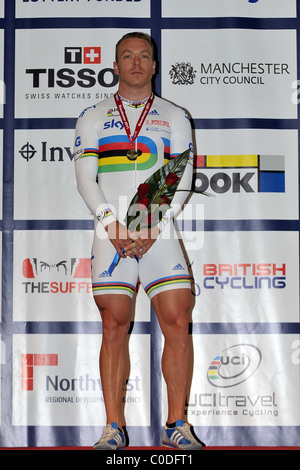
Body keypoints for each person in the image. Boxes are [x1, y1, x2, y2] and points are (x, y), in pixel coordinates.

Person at [74, 32, 203, 450]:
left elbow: (182, 177)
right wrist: (112, 226)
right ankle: (113, 428)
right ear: (115, 66)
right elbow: (84, 179)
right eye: (127, 56)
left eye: (144, 56)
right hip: (110, 232)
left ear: (154, 66)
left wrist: (152, 225)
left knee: (178, 322)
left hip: (158, 230)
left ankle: (176, 425)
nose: (135, 62)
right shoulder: (92, 115)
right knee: (113, 324)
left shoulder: (175, 114)